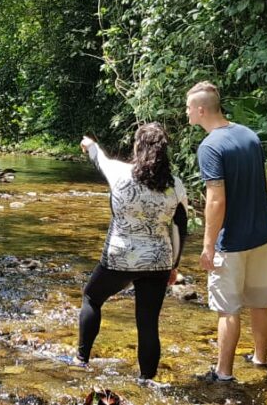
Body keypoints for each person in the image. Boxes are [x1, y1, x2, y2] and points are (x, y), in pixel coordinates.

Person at [75, 123, 189, 386]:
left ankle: (82, 360)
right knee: (147, 322)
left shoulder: (120, 173)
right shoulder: (175, 186)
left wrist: (89, 144)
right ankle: (147, 380)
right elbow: (180, 227)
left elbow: (98, 158)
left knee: (92, 297)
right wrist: (174, 265)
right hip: (158, 261)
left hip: (120, 257)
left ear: (137, 147)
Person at [185, 81, 267, 383]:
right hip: (261, 236)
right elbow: (265, 184)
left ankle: (223, 373)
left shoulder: (210, 146)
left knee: (227, 309)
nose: (186, 113)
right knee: (260, 302)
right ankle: (261, 359)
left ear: (200, 110)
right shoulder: (249, 135)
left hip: (232, 242)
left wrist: (208, 246)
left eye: (188, 108)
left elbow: (216, 200)